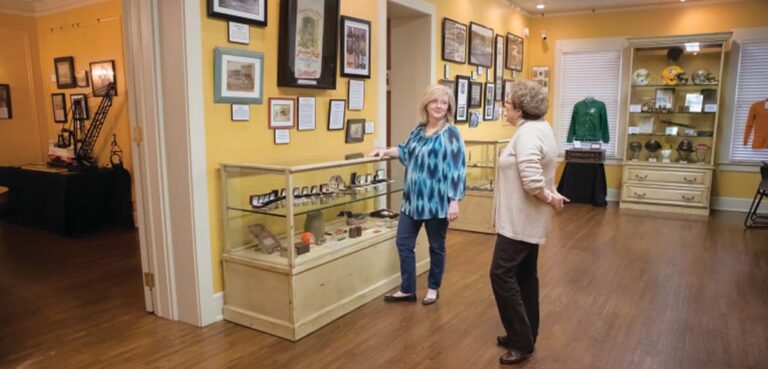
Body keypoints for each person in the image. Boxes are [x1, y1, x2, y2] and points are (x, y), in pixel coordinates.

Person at [491, 80, 568, 365]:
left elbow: (533, 178)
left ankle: (522, 341)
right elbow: (546, 170)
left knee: (500, 275)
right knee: (524, 277)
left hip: (520, 221)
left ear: (520, 110)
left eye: (507, 106)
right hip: (528, 219)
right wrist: (552, 194)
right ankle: (524, 335)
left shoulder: (526, 135)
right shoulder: (542, 128)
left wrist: (550, 197)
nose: (505, 110)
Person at [369, 84, 466, 305]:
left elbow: (457, 168)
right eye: (435, 101)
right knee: (404, 244)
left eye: (443, 102)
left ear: (448, 106)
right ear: (427, 104)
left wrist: (454, 201)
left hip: (436, 202)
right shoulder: (418, 130)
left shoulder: (451, 133)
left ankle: (433, 288)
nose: (439, 106)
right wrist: (384, 151)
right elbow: (404, 151)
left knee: (436, 247)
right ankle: (407, 289)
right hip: (412, 201)